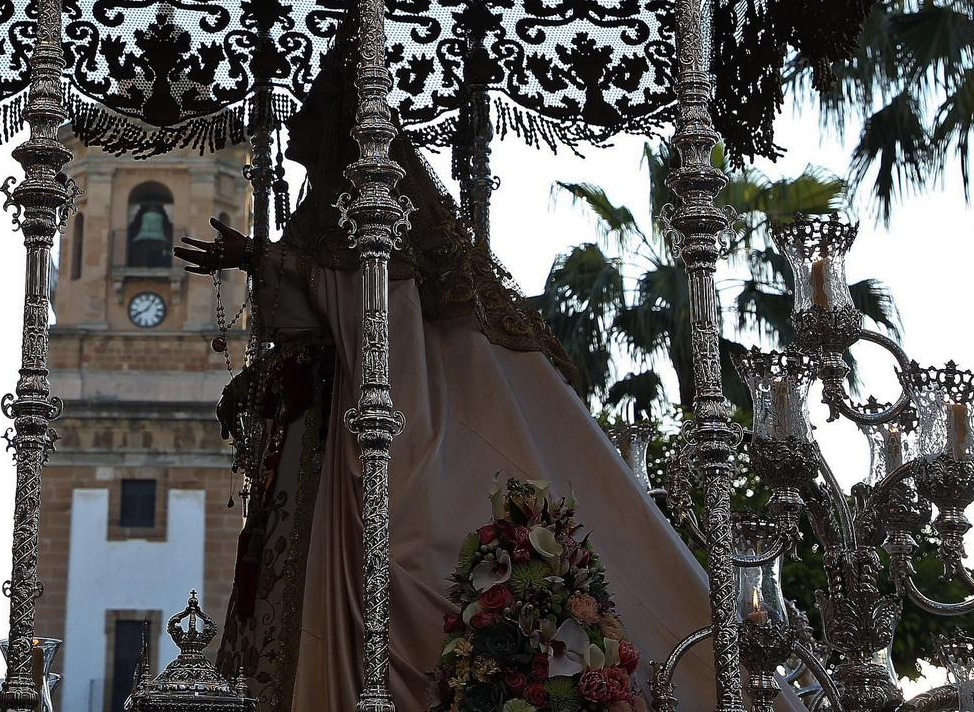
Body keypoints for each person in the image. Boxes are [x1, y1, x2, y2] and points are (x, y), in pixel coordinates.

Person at [176, 41, 729, 712]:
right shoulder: (320, 208)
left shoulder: (361, 201)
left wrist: (266, 257)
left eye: (310, 109)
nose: (292, 124)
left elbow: (380, 306)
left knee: (398, 560)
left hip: (350, 440)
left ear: (340, 123)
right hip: (308, 451)